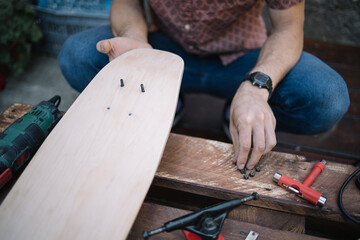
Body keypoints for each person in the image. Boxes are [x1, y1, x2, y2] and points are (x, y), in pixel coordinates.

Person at [58, 0, 349, 172]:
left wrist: (256, 86)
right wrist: (137, 43)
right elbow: (127, 3)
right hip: (163, 52)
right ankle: (165, 100)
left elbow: (288, 27)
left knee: (326, 97)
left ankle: (240, 110)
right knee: (78, 56)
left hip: (243, 59)